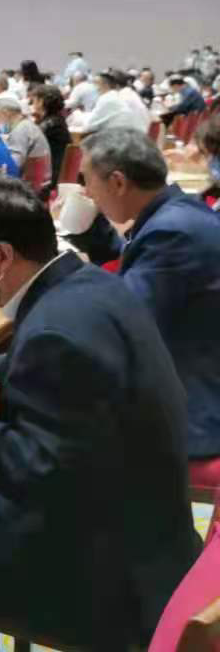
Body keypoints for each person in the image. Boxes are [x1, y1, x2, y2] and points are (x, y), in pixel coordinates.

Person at [0, 178, 198, 648]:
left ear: (1, 255)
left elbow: (39, 467)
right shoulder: (90, 284)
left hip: (113, 570)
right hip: (150, 523)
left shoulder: (54, 332)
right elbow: (75, 389)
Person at [67, 129, 220, 461]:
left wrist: (60, 277)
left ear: (118, 183)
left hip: (191, 409)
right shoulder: (178, 211)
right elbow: (133, 258)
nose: (86, 193)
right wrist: (91, 230)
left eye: (87, 181)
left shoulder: (173, 233)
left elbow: (121, 321)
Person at [0, 95, 50, 191]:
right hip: (41, 181)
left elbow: (13, 165)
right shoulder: (26, 124)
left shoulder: (20, 130)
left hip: (29, 187)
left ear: (6, 113)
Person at [75, 68, 151, 136]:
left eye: (96, 84)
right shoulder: (129, 94)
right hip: (140, 137)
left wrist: (79, 116)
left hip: (130, 141)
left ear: (109, 84)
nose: (95, 88)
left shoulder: (109, 98)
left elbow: (88, 127)